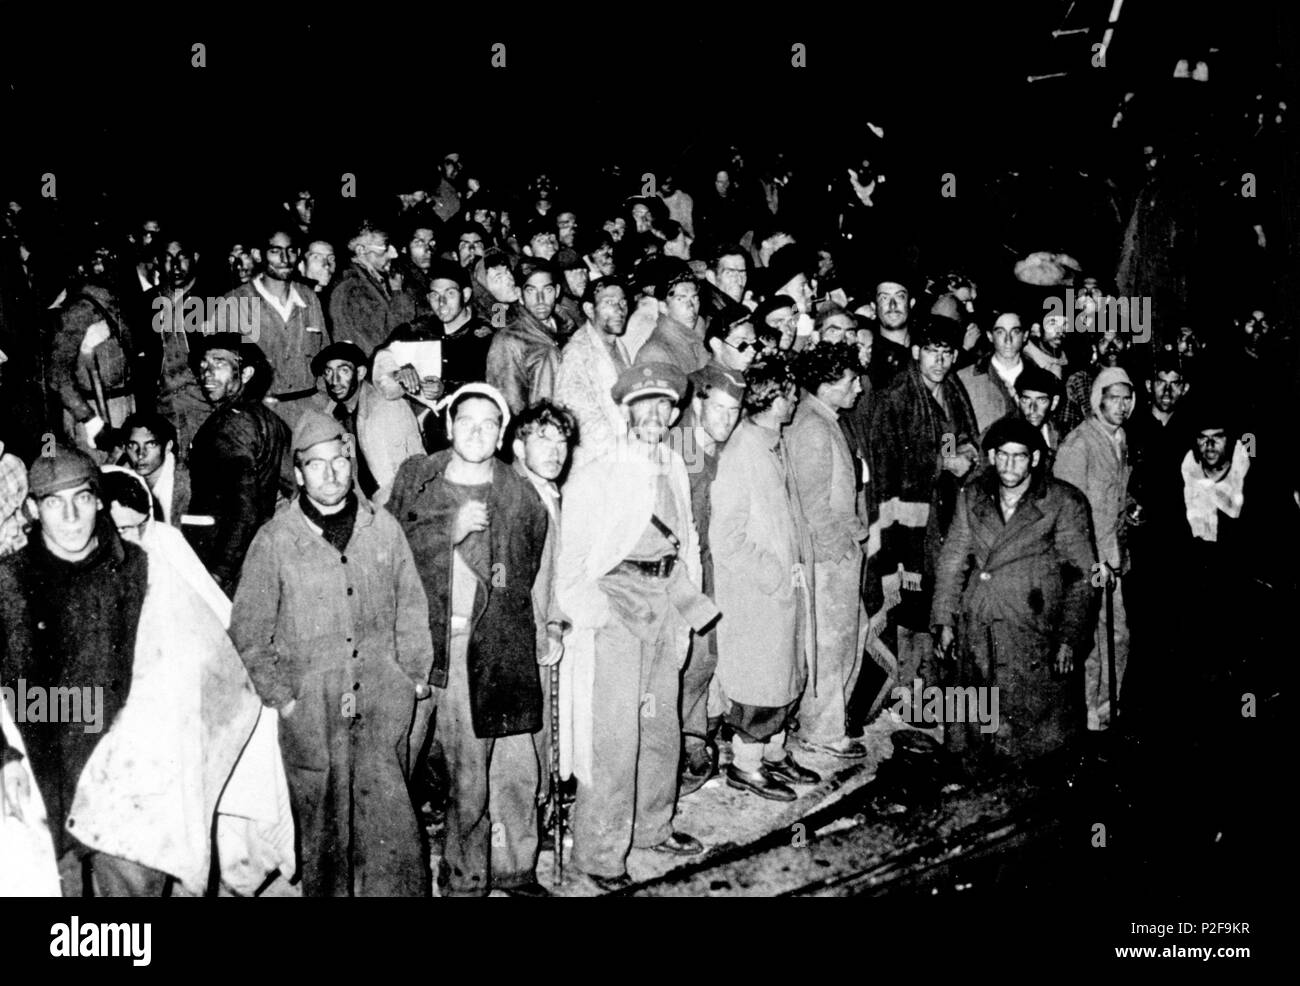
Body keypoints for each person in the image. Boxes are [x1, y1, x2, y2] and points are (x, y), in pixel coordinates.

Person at [231, 410, 435, 896]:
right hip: (313, 709)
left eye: (339, 461)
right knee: (324, 832)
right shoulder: (276, 540)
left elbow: (411, 603)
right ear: (298, 474)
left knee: (392, 829)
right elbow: (248, 630)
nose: (330, 473)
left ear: (351, 463)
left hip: (382, 700)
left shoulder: (381, 528)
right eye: (316, 464)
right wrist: (284, 699)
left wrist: (413, 677)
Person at [386, 383, 551, 897]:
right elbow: (387, 548)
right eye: (467, 421)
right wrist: (448, 533)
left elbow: (531, 568)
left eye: (488, 424)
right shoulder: (418, 478)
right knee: (411, 766)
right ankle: (427, 877)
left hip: (482, 650)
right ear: (449, 425)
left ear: (502, 434)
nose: (477, 432)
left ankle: (482, 875)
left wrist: (547, 628)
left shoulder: (517, 493)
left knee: (483, 772)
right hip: (420, 645)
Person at [555, 363, 714, 891]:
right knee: (614, 739)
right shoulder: (597, 472)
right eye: (642, 408)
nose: (653, 417)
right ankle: (600, 853)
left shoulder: (672, 463)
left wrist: (685, 614)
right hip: (617, 610)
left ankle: (653, 826)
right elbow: (569, 566)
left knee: (661, 725)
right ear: (625, 414)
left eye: (662, 408)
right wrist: (596, 617)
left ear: (673, 414)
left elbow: (687, 538)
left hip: (666, 603)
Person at [931, 417, 1096, 763]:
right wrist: (944, 619)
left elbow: (1081, 576)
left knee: (1033, 736)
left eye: (1019, 457)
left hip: (1033, 628)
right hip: (979, 624)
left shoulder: (1062, 501)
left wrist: (1069, 637)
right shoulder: (972, 495)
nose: (1009, 465)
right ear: (990, 455)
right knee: (975, 728)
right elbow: (952, 560)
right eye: (1002, 455)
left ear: (1035, 459)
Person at [710, 355, 822, 800]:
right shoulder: (742, 453)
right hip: (759, 593)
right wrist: (775, 574)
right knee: (761, 688)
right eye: (791, 393)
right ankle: (746, 765)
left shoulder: (773, 440)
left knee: (786, 677)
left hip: (782, 589)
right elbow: (727, 538)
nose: (796, 399)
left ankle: (775, 754)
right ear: (774, 399)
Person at [868, 316, 980, 701]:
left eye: (947, 353)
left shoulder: (951, 389)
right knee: (909, 608)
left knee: (938, 599)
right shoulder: (897, 396)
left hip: (943, 514)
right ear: (916, 352)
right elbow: (889, 460)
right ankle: (904, 691)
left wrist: (962, 452)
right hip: (907, 522)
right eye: (932, 352)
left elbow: (951, 437)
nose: (940, 360)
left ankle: (928, 690)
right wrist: (942, 464)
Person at [789, 342, 870, 759]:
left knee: (846, 640)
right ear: (826, 384)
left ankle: (826, 725)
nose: (857, 387)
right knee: (828, 646)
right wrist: (839, 547)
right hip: (828, 560)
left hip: (839, 553)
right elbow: (811, 502)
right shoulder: (813, 427)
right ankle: (821, 731)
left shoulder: (826, 419)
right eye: (850, 380)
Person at [1053, 366, 1134, 731]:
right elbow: (1066, 511)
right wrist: (1088, 564)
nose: (1122, 405)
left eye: (1127, 398)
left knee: (1114, 636)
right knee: (1093, 639)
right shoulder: (1079, 444)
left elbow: (1111, 496)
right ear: (1097, 400)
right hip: (1091, 563)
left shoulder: (1119, 438)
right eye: (1113, 398)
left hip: (1113, 557)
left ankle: (1106, 706)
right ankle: (1089, 711)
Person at [677, 362, 745, 796]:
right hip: (687, 574)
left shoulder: (722, 447)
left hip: (712, 570)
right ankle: (682, 749)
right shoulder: (685, 447)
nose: (725, 419)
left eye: (732, 411)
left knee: (705, 662)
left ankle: (695, 741)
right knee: (692, 663)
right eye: (717, 408)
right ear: (698, 404)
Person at [508, 400, 576, 819]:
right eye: (543, 439)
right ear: (519, 447)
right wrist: (544, 629)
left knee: (545, 727)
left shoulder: (547, 489)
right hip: (528, 634)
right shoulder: (519, 497)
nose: (555, 451)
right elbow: (520, 582)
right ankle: (531, 819)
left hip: (546, 625)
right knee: (530, 733)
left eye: (562, 441)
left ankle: (544, 806)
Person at [185, 335, 291, 594]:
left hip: (227, 560)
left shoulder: (230, 425)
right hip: (258, 553)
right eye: (203, 366)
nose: (207, 374)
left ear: (245, 373)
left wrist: (219, 574)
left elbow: (244, 509)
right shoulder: (268, 419)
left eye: (219, 364)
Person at [209, 226, 330, 432]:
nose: (284, 258)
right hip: (260, 418)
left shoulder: (309, 298)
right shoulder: (234, 302)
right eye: (275, 251)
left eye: (290, 251)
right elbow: (216, 370)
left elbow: (325, 355)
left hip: (311, 414)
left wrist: (325, 406)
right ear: (258, 255)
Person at [556, 277, 634, 469]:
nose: (619, 309)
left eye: (623, 302)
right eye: (609, 303)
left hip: (623, 455)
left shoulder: (617, 345)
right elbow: (582, 421)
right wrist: (623, 459)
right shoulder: (578, 353)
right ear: (590, 310)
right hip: (597, 465)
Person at [486, 258, 573, 416]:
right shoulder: (508, 340)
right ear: (519, 294)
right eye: (531, 291)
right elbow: (509, 405)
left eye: (547, 290)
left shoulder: (568, 331)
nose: (540, 299)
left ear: (557, 291)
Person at [329, 222, 418, 356]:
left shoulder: (370, 281)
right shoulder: (355, 289)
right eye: (385, 247)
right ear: (361, 251)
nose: (394, 254)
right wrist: (398, 293)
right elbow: (390, 338)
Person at [956, 310, 1027, 436]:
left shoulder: (1041, 379)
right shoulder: (964, 378)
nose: (1008, 340)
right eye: (1000, 332)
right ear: (989, 336)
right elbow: (947, 429)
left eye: (1015, 332)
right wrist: (949, 454)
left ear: (1025, 335)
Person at [120, 410, 191, 526]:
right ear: (124, 448)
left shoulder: (189, 481)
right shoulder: (120, 482)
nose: (141, 454)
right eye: (132, 445)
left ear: (168, 447)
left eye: (151, 444)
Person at [1012, 361, 1065, 470]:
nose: (1032, 409)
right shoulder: (1002, 432)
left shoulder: (1060, 432)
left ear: (1054, 402)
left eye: (1041, 400)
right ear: (1017, 400)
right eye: (1026, 400)